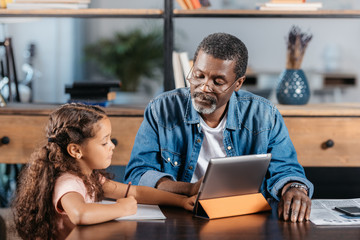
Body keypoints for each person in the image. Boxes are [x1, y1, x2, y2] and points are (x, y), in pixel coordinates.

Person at [124, 32, 313, 222]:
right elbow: (137, 175)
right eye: (198, 76)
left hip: (243, 218)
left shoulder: (264, 115)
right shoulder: (161, 109)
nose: (204, 87)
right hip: (176, 216)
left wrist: (296, 189)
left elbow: (287, 170)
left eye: (218, 82)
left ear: (238, 83)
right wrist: (188, 189)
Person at [12, 103, 195, 240]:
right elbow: (80, 214)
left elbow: (136, 191)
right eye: (104, 142)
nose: (112, 146)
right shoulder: (68, 182)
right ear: (76, 150)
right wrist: (120, 208)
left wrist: (181, 201)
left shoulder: (89, 177)